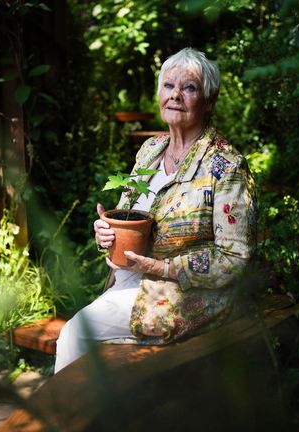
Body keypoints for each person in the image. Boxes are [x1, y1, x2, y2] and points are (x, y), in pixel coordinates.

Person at [54, 47, 256, 373]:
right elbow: (128, 216)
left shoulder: (226, 165)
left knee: (76, 335)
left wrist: (163, 268)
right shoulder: (150, 150)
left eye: (189, 88)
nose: (176, 95)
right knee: (87, 347)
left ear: (209, 100)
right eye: (168, 86)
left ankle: (63, 422)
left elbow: (235, 258)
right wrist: (107, 231)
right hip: (130, 282)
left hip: (187, 295)